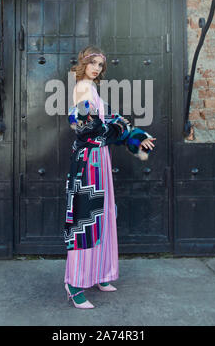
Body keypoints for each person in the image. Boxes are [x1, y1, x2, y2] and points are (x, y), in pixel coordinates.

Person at [64, 45, 156, 309]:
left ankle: (101, 274)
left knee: (102, 214)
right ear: (84, 64)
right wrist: (120, 131)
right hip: (87, 162)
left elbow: (110, 121)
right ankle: (74, 283)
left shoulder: (92, 89)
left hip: (99, 158)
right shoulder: (82, 87)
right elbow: (86, 126)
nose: (96, 68)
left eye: (100, 65)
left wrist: (137, 137)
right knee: (86, 219)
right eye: (92, 63)